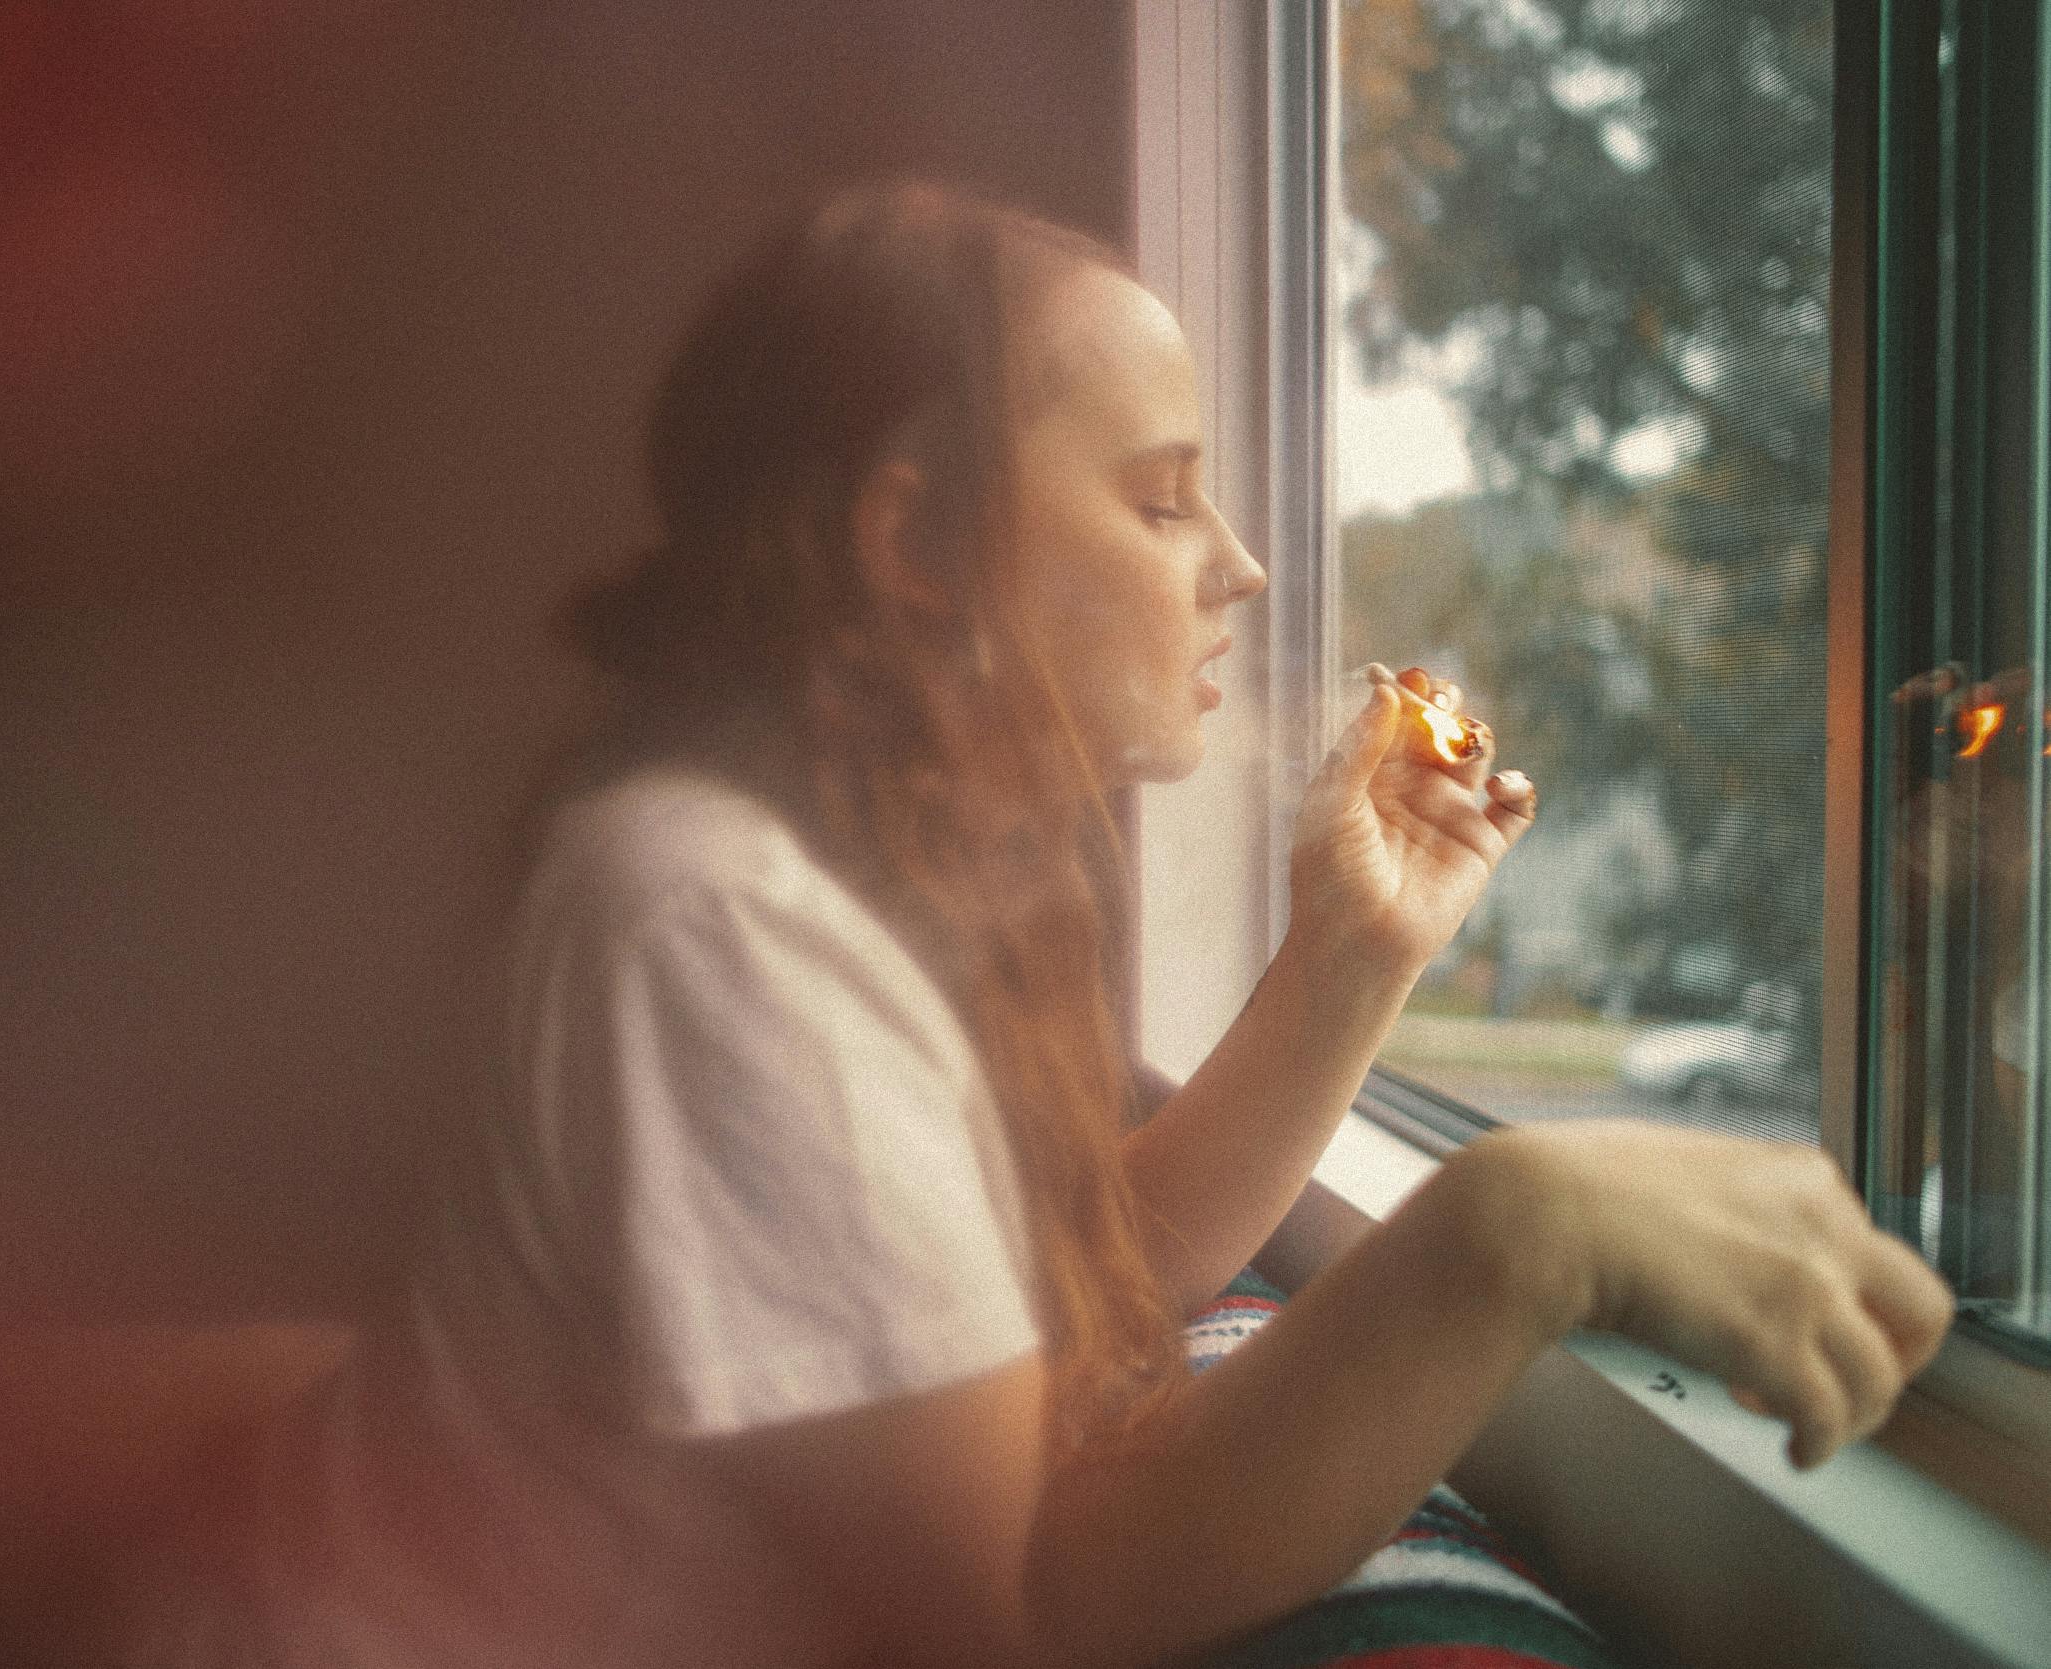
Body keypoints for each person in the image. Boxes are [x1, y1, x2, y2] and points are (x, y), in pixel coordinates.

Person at [110, 180, 1954, 1669]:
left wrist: (1346, 959)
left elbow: (1051, 1309)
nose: (1236, 563)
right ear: (915, 545)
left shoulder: (848, 885)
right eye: (1163, 499)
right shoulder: (702, 920)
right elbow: (1027, 1599)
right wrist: (1517, 1228)